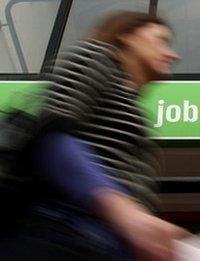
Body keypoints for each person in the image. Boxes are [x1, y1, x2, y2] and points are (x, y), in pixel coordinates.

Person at [0, 11, 188, 261]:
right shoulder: (96, 57)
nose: (173, 54)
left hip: (99, 241)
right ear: (127, 36)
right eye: (161, 40)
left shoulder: (134, 110)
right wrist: (123, 211)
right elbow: (51, 136)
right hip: (62, 231)